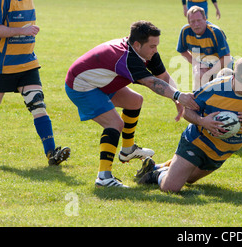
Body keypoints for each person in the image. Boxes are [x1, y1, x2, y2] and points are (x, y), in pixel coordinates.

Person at [65, 20, 199, 188]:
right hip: (81, 85)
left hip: (100, 82)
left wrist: (176, 99)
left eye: (156, 45)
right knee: (114, 124)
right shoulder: (126, 57)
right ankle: (103, 178)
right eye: (152, 46)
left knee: (135, 101)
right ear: (137, 44)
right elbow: (151, 82)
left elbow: (163, 77)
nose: (155, 50)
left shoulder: (143, 51)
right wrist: (178, 95)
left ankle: (127, 150)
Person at [134, 56, 242, 193]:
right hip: (197, 141)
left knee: (190, 179)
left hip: (222, 152)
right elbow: (187, 112)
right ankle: (156, 175)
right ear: (234, 75)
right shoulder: (214, 88)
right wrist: (202, 121)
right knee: (171, 188)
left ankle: (156, 167)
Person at [0, 0, 70, 166]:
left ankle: (51, 153)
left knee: (37, 104)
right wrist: (21, 31)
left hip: (27, 64)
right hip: (3, 66)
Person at [177, 6, 232, 91]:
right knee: (198, 74)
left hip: (222, 66)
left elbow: (226, 58)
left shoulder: (215, 32)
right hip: (204, 65)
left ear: (205, 19)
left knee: (223, 93)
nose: (196, 24)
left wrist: (209, 73)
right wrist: (196, 64)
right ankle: (197, 99)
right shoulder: (185, 31)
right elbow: (183, 51)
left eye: (199, 20)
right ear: (188, 22)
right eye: (192, 21)